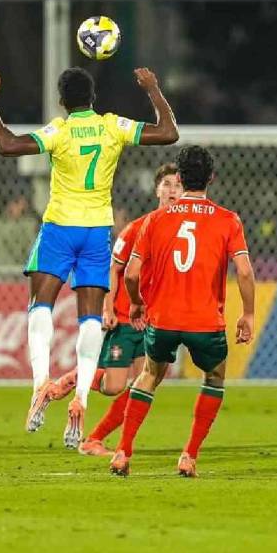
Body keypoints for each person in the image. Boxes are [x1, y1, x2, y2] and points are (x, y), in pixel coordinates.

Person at [0, 66, 179, 447]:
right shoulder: (112, 126)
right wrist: (153, 89)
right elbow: (168, 132)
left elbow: (5, 144)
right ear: (93, 98)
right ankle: (81, 398)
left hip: (59, 228)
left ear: (61, 100)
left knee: (40, 307)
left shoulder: (59, 130)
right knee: (91, 320)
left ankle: (41, 383)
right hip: (96, 232)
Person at [109, 146, 256, 477]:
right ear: (211, 178)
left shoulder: (155, 220)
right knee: (215, 377)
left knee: (148, 375)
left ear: (181, 178)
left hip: (163, 320)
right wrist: (248, 314)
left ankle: (122, 451)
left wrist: (135, 302)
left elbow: (130, 274)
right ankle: (189, 455)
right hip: (205, 322)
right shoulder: (228, 219)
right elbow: (244, 272)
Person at [50, 163, 183, 456]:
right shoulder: (138, 227)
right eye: (168, 184)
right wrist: (108, 308)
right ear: (157, 189)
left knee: (144, 383)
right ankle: (76, 378)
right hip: (125, 317)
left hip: (152, 321)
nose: (173, 190)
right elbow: (115, 268)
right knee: (114, 386)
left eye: (178, 185)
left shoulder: (185, 231)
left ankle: (94, 439)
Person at [0, 192, 38, 266]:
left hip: (24, 264)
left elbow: (32, 247)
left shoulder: (29, 224)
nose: (22, 207)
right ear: (9, 205)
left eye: (24, 204)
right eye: (17, 203)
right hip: (3, 264)